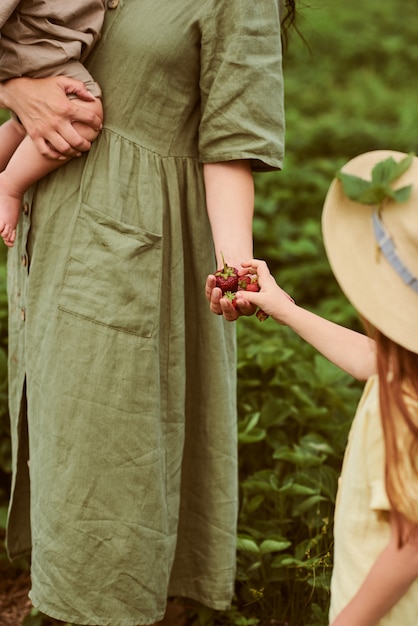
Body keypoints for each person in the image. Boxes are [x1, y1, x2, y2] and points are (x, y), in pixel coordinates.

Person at [0, 1, 296, 624]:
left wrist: (236, 262)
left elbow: (231, 143)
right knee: (65, 446)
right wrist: (19, 86)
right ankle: (59, 597)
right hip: (50, 236)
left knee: (114, 451)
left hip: (134, 255)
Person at [238, 150, 418, 626]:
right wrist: (285, 307)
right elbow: (369, 360)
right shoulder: (406, 372)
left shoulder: (400, 408)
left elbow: (409, 547)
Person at [0, 0, 105, 247]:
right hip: (34, 48)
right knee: (85, 113)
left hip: (40, 46)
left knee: (22, 127)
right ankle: (9, 186)